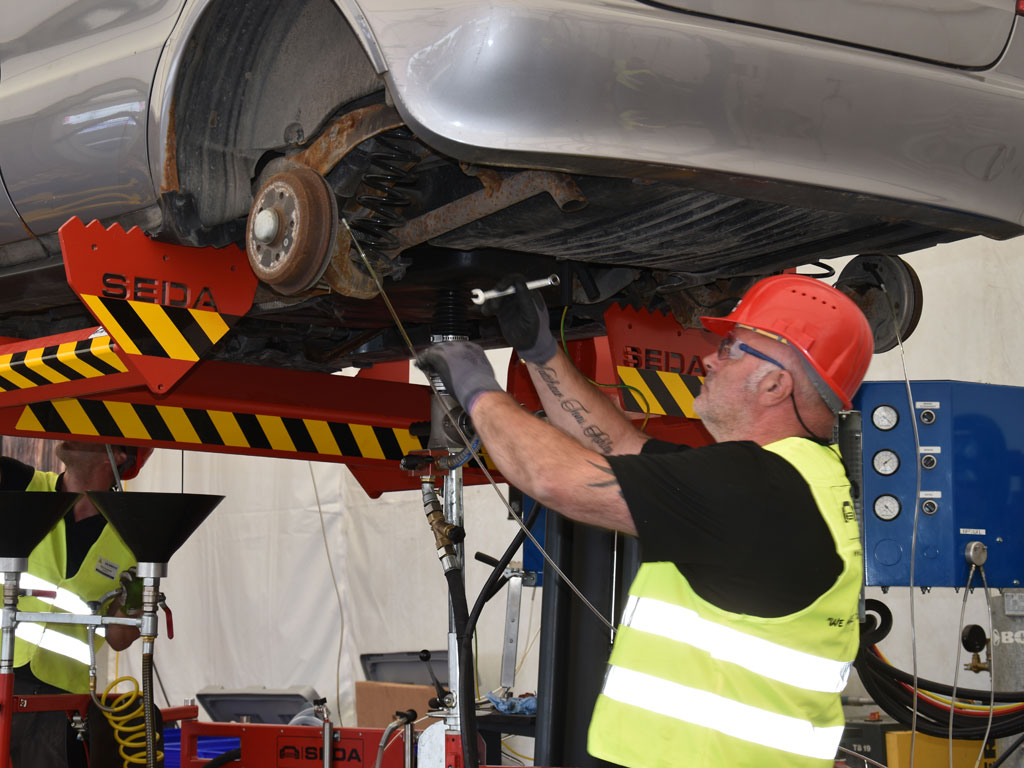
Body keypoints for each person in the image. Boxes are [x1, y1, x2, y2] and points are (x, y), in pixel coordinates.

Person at [418, 273, 874, 768]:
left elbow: (552, 478)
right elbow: (621, 446)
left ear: (774, 384)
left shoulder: (756, 489)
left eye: (730, 349)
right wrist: (540, 352)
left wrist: (476, 387)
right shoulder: (796, 479)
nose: (709, 359)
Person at [1, 440, 152, 768]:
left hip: (59, 700)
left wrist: (135, 598)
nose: (69, 433)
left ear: (118, 454)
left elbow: (119, 638)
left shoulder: (133, 535)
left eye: (88, 430)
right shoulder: (22, 484)